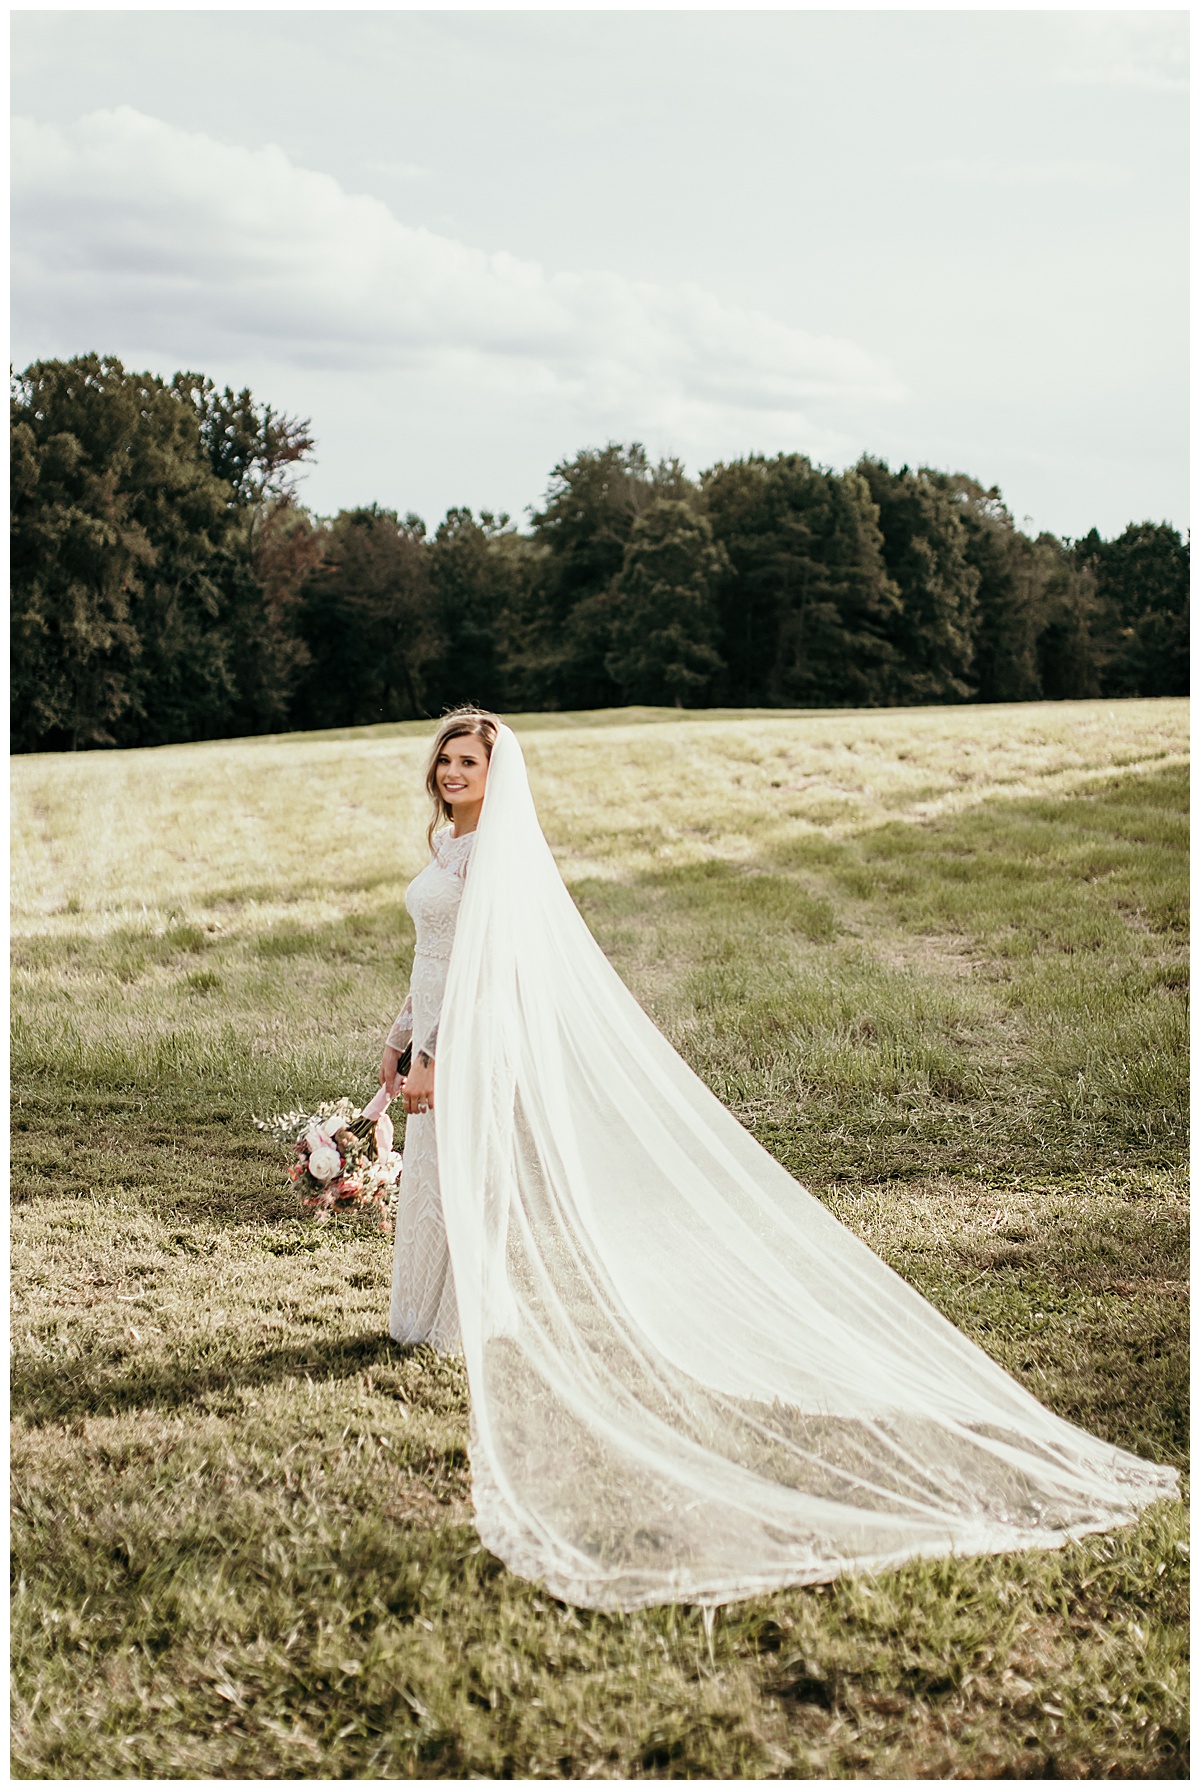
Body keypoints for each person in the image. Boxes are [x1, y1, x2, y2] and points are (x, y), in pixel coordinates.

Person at [381, 706, 1178, 1614]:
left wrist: (441, 1054)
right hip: (432, 1032)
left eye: (469, 759)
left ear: (498, 769)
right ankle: (423, 1318)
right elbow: (432, 954)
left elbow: (492, 970)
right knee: (435, 1176)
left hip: (476, 1040)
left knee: (471, 1176)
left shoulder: (496, 858)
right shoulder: (448, 848)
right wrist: (401, 1036)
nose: (452, 771)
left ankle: (464, 1320)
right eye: (445, 759)